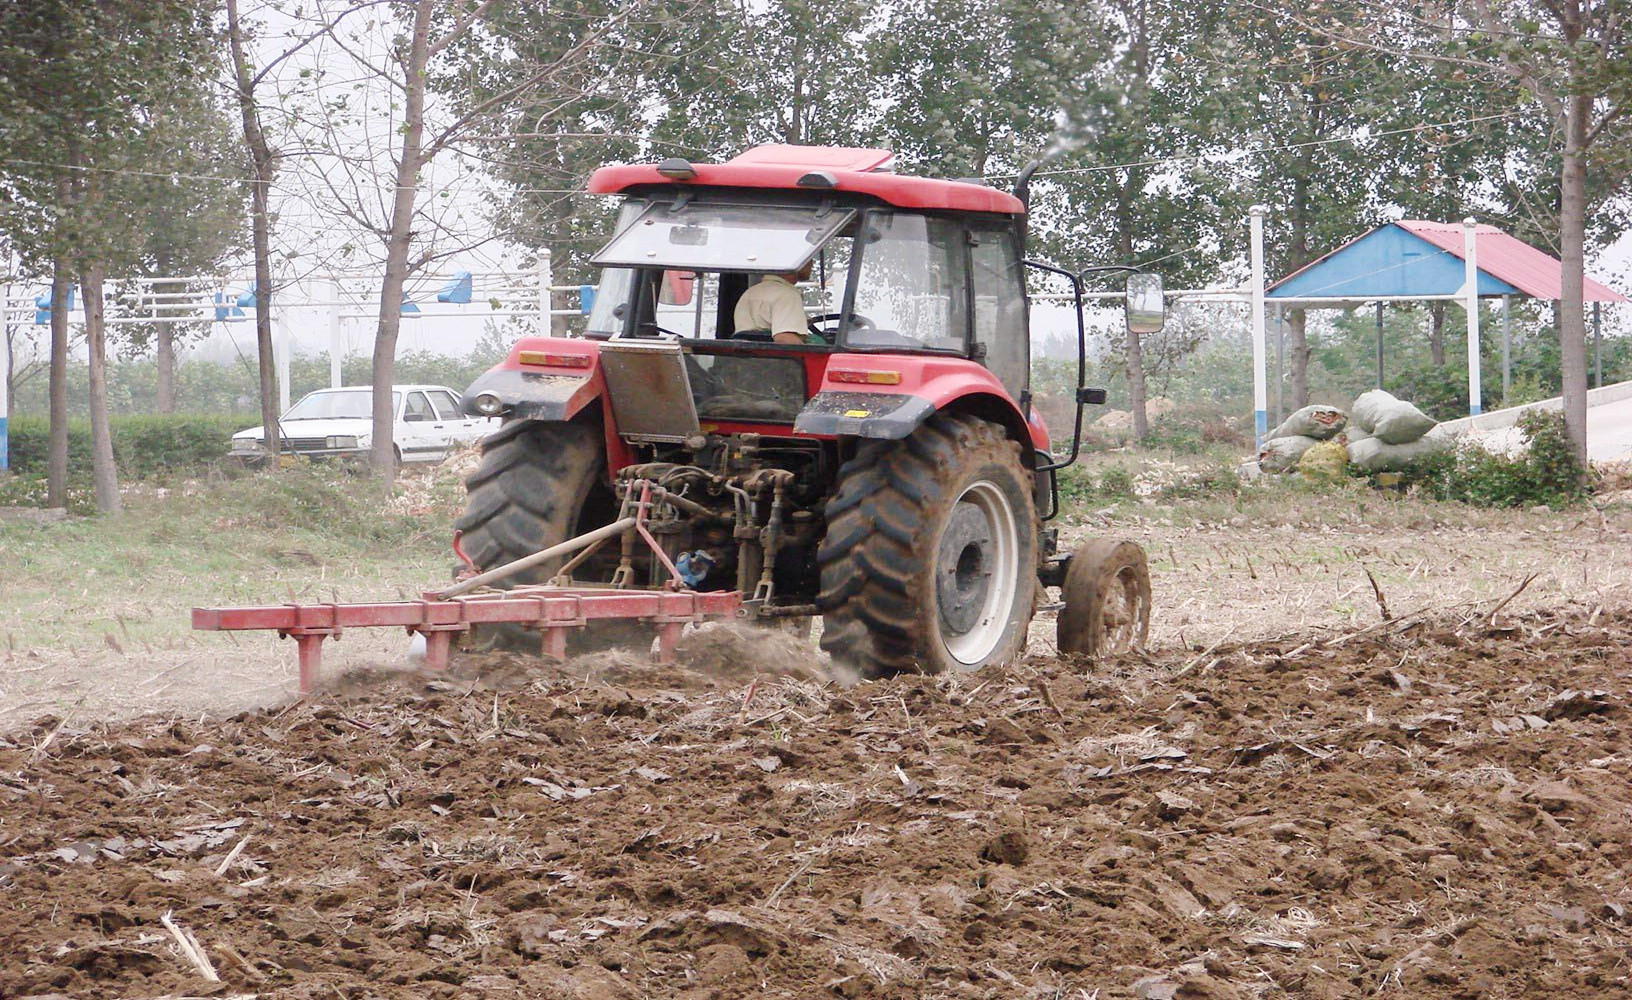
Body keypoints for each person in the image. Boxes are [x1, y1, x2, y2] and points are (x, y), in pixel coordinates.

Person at [733, 261, 816, 345]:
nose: (812, 264)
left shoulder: (749, 293)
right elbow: (785, 339)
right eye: (808, 260)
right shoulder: (787, 294)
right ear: (795, 262)